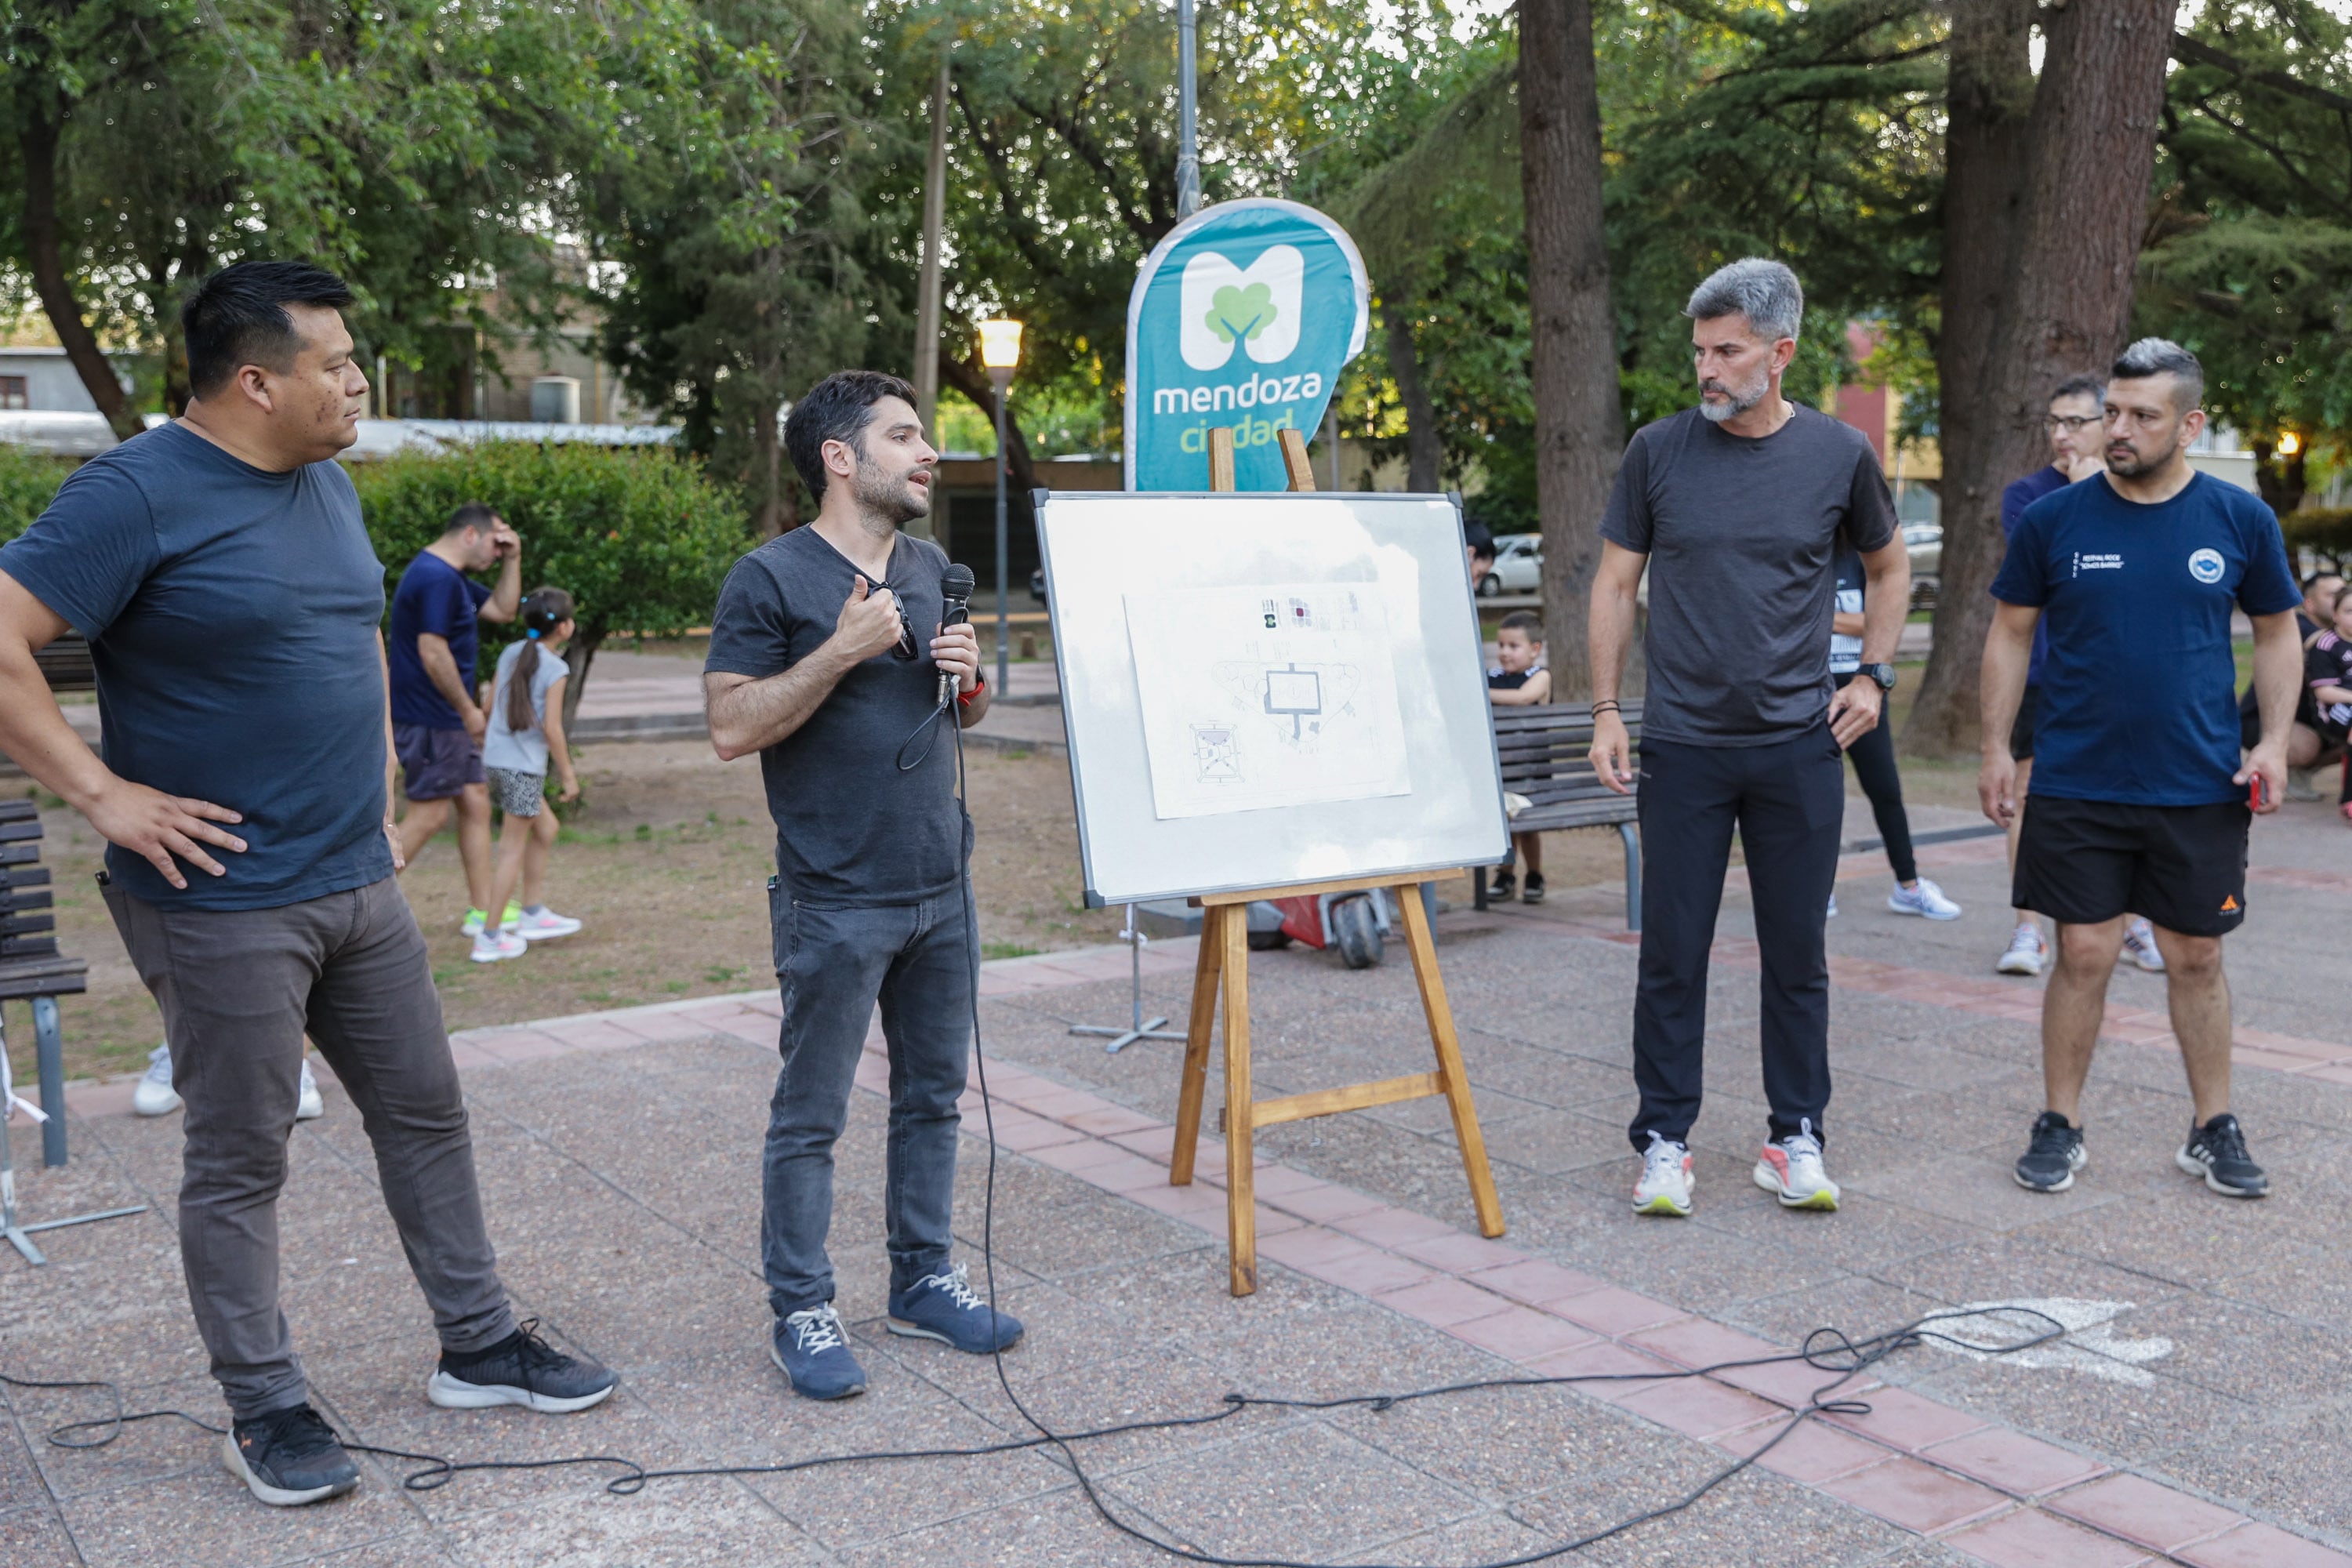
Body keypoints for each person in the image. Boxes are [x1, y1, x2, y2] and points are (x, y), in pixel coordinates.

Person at [0, 261, 612, 1509]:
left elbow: (333, 646)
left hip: (357, 878)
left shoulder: (325, 483)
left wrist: (383, 787)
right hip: (222, 896)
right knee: (242, 1154)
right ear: (255, 379)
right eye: (334, 362)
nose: (356, 381)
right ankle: (263, 1405)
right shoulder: (134, 493)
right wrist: (102, 795)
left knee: (427, 1110)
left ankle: (480, 1343)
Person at [705, 369, 1021, 1402]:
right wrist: (840, 651)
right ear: (841, 459)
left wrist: (965, 681)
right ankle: (801, 1304)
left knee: (933, 1100)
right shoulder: (770, 579)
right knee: (812, 1117)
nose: (927, 452)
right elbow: (731, 727)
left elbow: (959, 716)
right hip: (835, 897)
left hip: (942, 883)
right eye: (903, 436)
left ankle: (923, 1280)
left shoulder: (930, 566)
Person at [1588, 258, 1907, 1220]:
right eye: (1700, 351)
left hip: (1796, 746)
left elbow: (1890, 573)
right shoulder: (1658, 451)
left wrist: (1874, 675)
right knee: (1673, 952)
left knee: (1796, 951)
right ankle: (1665, 1141)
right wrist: (1608, 707)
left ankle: (1794, 1134)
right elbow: (1612, 583)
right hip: (1683, 744)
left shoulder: (1839, 455)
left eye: (1728, 351)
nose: (1708, 370)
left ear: (1782, 352)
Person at [1981, 338, 2300, 1201]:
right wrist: (1996, 746)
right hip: (2078, 775)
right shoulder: (2055, 520)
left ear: (2189, 423)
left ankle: (2212, 1124)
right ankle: (2060, 1119)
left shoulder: (2241, 521)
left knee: (2195, 954)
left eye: (2140, 416)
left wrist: (2270, 741)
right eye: (2110, 412)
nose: (2115, 429)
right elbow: (2010, 632)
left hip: (2199, 780)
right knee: (2082, 950)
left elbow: (2277, 630)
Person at [1994, 376, 2118, 976]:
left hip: (2117, 679)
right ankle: (2027, 930)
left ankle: (2135, 922)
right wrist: (2082, 493)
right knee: (2029, 799)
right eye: (2054, 422)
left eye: (2077, 422)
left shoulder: (2135, 491)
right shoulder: (2029, 496)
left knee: (2127, 797)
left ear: (2107, 424)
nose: (2062, 435)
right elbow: (2050, 568)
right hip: (2046, 676)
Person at [389, 502, 521, 936]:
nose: (497, 554)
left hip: (443, 717)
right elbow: (432, 650)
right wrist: (468, 711)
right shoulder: (434, 578)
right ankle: (356, 908)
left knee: (476, 800)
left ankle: (484, 910)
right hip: (430, 717)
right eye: (494, 544)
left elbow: (504, 611)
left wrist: (514, 557)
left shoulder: (454, 580)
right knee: (428, 816)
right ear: (470, 534)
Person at [1828, 546, 1959, 921]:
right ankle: (1818, 890)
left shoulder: (1860, 559)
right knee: (1818, 799)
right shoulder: (1805, 553)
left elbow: (1879, 619)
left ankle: (1910, 885)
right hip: (1813, 696)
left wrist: (1826, 616)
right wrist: (1852, 619)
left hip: (1863, 692)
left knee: (1886, 791)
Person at [474, 587, 586, 962]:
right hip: (522, 767)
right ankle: (490, 936)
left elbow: (489, 706)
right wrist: (569, 777)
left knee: (547, 828)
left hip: (497, 760)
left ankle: (533, 911)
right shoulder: (555, 668)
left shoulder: (511, 653)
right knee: (510, 850)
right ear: (566, 627)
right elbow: (553, 729)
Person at [1486, 610, 1551, 904]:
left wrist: (1482, 693)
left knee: (1527, 826)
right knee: (1505, 823)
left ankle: (1534, 874)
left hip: (1530, 769)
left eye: (1514, 646)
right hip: (1503, 767)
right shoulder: (1494, 678)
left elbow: (1524, 698)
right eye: (1501, 646)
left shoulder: (1540, 676)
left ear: (1535, 649)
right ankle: (1506, 873)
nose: (1504, 653)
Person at [2306, 583, 2352, 824]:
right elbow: (2325, 692)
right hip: (2334, 711)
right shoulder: (2326, 646)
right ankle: (2349, 799)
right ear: (2335, 615)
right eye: (2349, 611)